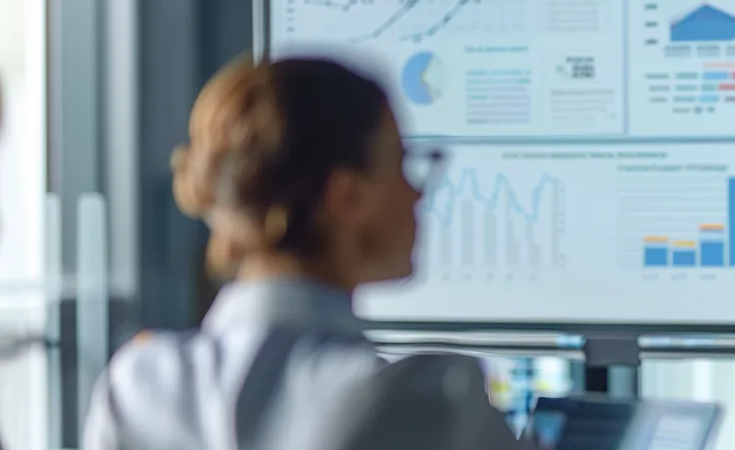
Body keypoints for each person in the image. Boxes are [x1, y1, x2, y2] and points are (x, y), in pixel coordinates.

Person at [81, 58, 522, 450]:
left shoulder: (138, 386)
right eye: (401, 162)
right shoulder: (421, 402)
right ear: (345, 195)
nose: (416, 193)